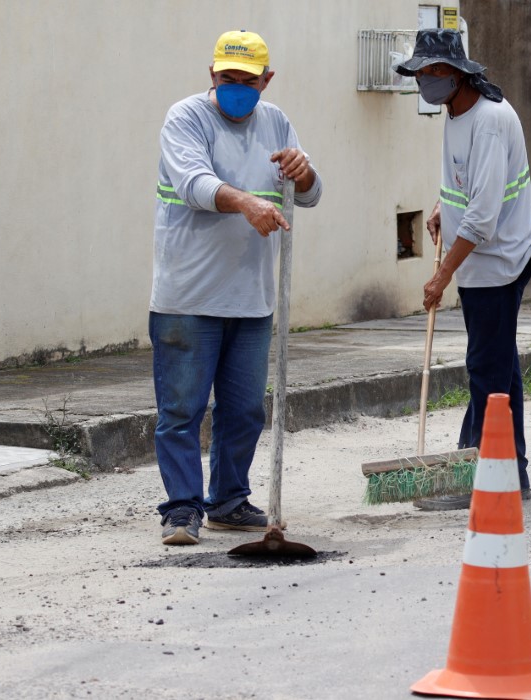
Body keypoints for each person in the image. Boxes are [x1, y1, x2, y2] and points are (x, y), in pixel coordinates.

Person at [150, 30, 322, 544]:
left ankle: (227, 500)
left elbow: (310, 195)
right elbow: (193, 183)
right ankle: (182, 509)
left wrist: (305, 173)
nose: (237, 88)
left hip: (251, 299)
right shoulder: (185, 118)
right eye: (228, 78)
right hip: (187, 296)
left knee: (245, 408)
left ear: (267, 80)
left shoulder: (276, 122)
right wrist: (247, 202)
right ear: (212, 74)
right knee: (181, 410)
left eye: (249, 80)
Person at [394, 28, 531, 511]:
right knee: (499, 368)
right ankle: (513, 474)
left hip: (500, 263)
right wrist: (446, 204)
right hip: (487, 261)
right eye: (419, 73)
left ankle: (476, 478)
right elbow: (470, 183)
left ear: (457, 75)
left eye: (432, 72)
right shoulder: (457, 112)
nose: (424, 80)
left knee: (486, 372)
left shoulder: (487, 119)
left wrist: (441, 277)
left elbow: (483, 218)